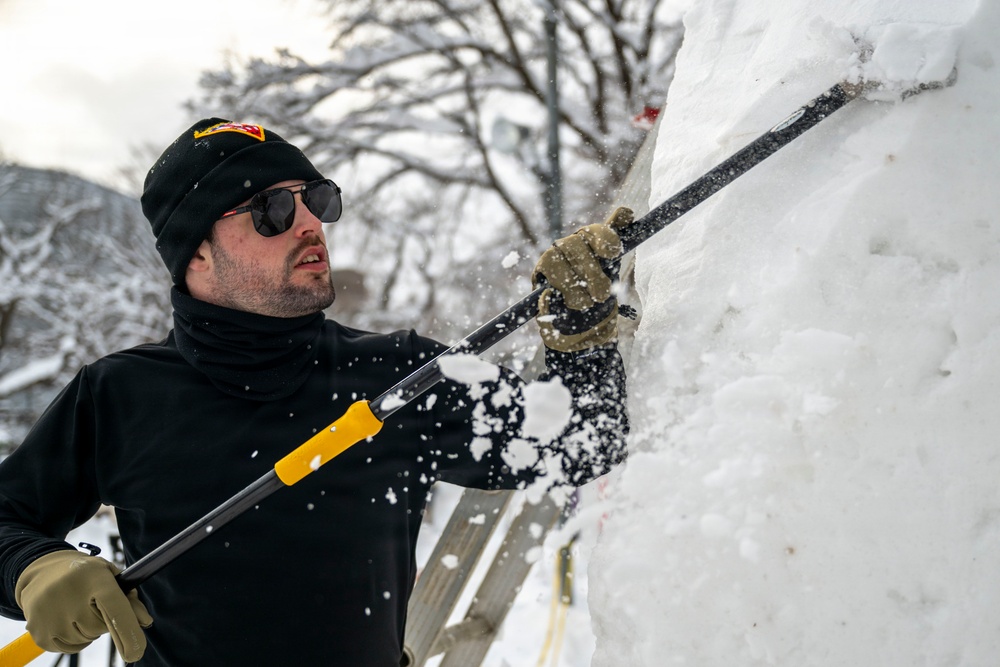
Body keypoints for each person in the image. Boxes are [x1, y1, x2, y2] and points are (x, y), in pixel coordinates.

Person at [0, 119, 629, 666]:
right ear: (195, 251)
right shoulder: (122, 394)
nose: (309, 224)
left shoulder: (397, 376)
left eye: (316, 199)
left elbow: (579, 448)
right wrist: (34, 569)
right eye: (270, 209)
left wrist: (581, 336)